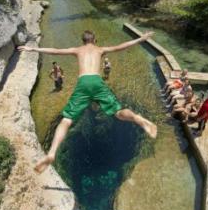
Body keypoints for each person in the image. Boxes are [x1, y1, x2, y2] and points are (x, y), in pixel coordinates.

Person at [34, 28, 157, 169]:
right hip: (97, 82)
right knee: (118, 112)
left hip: (83, 82)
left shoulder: (77, 50)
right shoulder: (100, 50)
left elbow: (55, 51)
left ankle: (52, 152)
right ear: (94, 39)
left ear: (83, 40)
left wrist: (33, 49)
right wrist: (142, 39)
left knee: (66, 120)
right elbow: (122, 46)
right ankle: (137, 118)